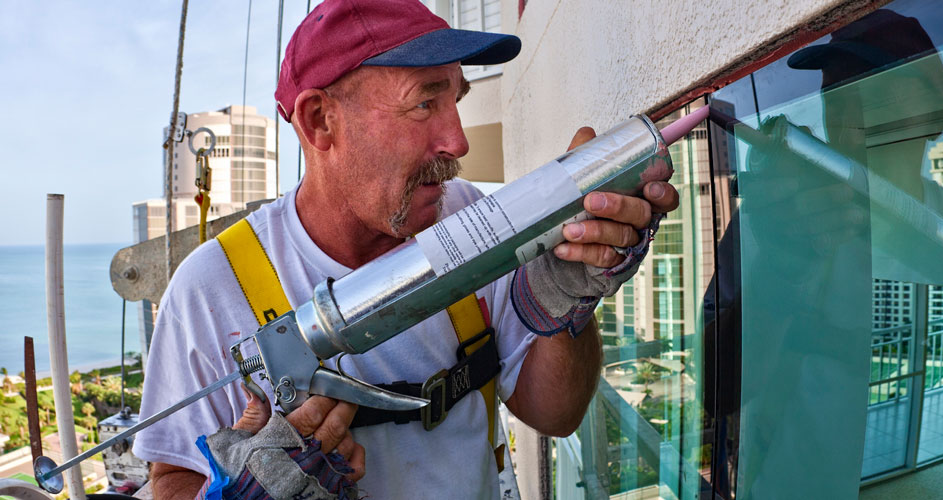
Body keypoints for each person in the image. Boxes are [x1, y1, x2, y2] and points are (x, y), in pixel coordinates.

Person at [132, 0, 679, 498]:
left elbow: (556, 413)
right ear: (321, 122)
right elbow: (172, 479)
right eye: (424, 104)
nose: (458, 140)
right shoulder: (213, 285)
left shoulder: (476, 223)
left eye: (456, 98)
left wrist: (567, 306)